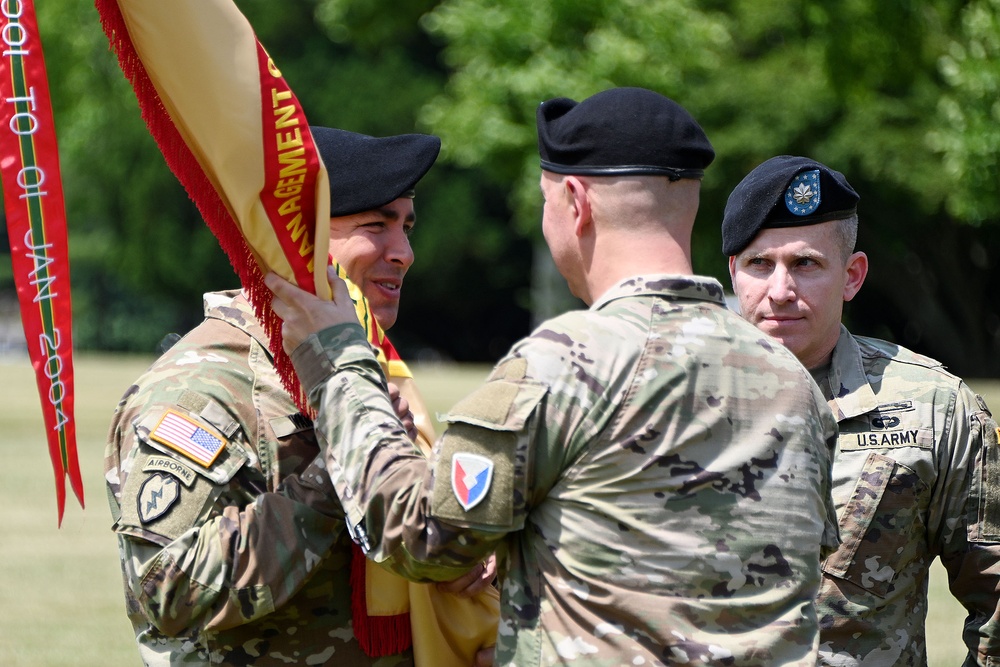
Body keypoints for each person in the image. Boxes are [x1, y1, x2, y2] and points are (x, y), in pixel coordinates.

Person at [266, 87, 841, 665]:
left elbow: (417, 536)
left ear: (575, 202)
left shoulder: (564, 363)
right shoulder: (792, 378)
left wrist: (338, 357)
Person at [105, 126, 499, 666]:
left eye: (407, 227)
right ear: (297, 238)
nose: (404, 252)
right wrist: (341, 471)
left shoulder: (364, 362)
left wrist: (464, 544)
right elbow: (168, 594)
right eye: (375, 225)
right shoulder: (202, 388)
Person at [723, 154, 1000, 665]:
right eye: (760, 264)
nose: (780, 291)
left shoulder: (933, 407)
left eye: (805, 264)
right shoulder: (675, 401)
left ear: (852, 275)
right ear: (734, 273)